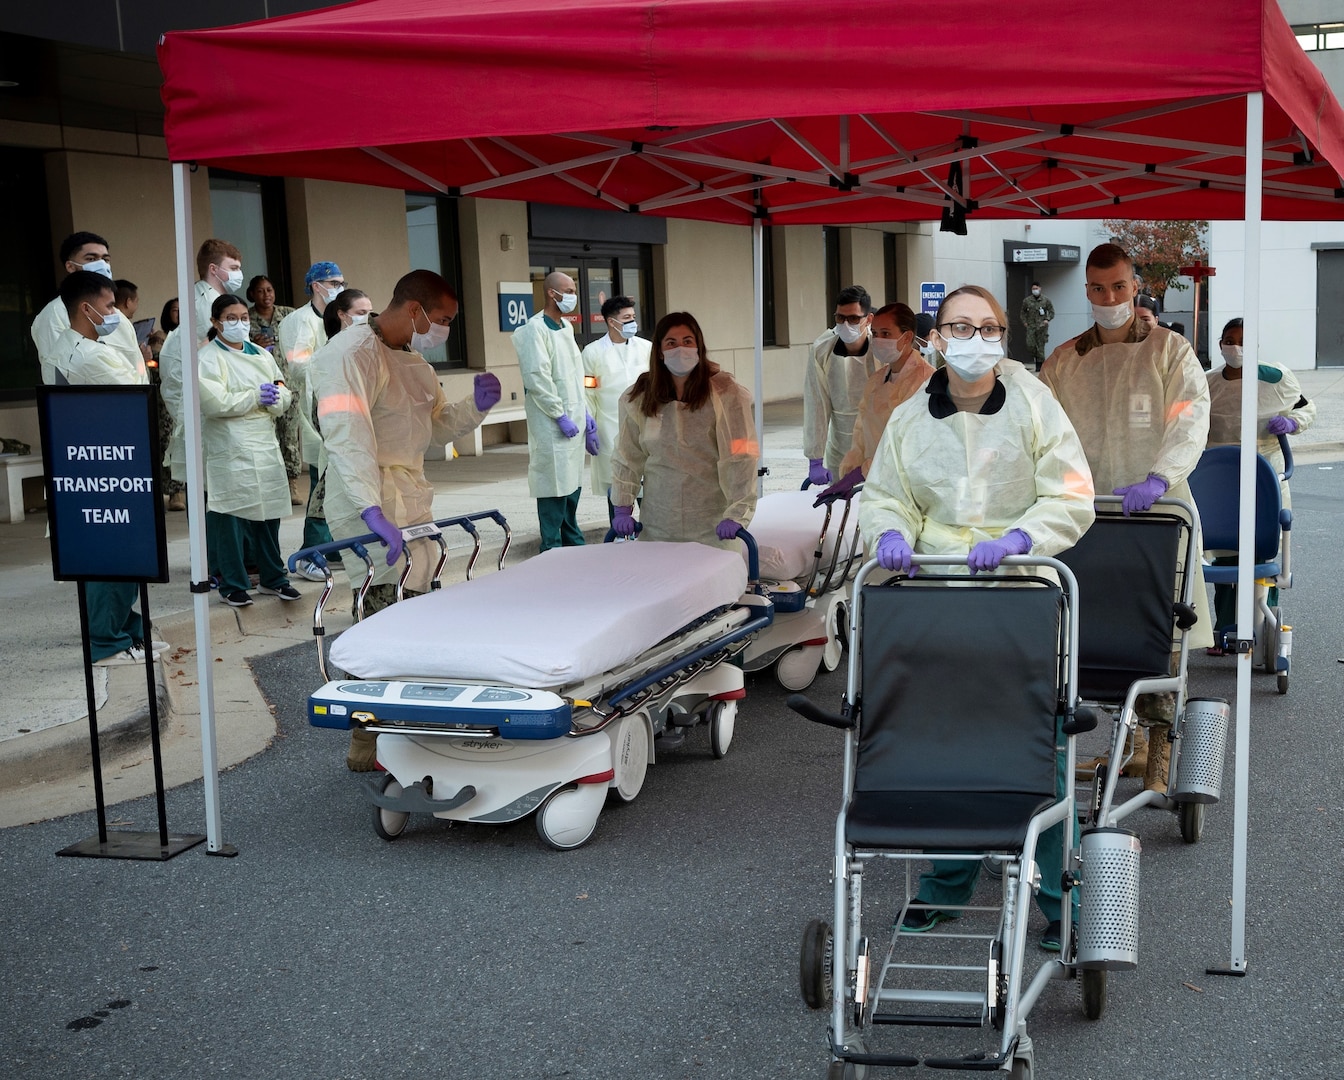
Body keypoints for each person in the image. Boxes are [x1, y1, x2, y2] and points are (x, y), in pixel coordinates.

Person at [858, 284, 1095, 951]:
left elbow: (1072, 493)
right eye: (959, 326)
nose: (974, 339)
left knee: (1033, 748)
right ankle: (947, 887)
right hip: (934, 592)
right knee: (942, 740)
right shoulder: (910, 416)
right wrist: (889, 536)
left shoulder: (1032, 404)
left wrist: (1022, 537)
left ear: (1002, 337)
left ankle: (1057, 901)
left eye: (986, 327)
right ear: (936, 337)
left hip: (1016, 593)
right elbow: (887, 495)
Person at [1039, 242, 1211, 793]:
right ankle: (1111, 743)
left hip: (1157, 512)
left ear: (1136, 285)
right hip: (1087, 518)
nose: (1108, 298)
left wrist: (1160, 477)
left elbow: (1190, 415)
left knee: (1160, 628)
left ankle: (1158, 751)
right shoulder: (1065, 359)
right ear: (1086, 290)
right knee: (1090, 631)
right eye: (1097, 288)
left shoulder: (1169, 349)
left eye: (1118, 287)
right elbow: (1038, 431)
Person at [314, 270, 501, 770]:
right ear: (414, 308)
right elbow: (346, 434)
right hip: (364, 499)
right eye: (440, 319)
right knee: (379, 617)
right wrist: (369, 507)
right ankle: (366, 740)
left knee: (416, 613)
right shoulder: (348, 355)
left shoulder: (415, 361)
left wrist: (475, 409)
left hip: (411, 501)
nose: (443, 330)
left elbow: (435, 426)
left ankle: (410, 726)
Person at [52, 271, 165, 666]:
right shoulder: (89, 354)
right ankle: (106, 642)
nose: (116, 313)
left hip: (113, 458)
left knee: (123, 556)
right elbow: (134, 395)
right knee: (111, 556)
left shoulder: (86, 345)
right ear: (86, 309)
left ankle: (125, 628)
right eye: (110, 306)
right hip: (108, 462)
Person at [1203, 316, 1315, 654]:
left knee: (1264, 552)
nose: (1234, 347)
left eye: (1242, 340)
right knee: (1225, 555)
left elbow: (1307, 409)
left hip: (1264, 471)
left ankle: (1263, 626)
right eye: (1229, 339)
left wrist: (1292, 421)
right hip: (1219, 476)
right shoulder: (1208, 384)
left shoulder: (1274, 381)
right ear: (1220, 343)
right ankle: (1225, 629)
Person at [610, 311, 758, 547]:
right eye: (671, 343)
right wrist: (622, 506)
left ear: (699, 347)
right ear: (659, 350)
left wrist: (737, 513)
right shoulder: (639, 397)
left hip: (713, 526)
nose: (681, 349)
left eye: (687, 341)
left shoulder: (726, 394)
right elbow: (627, 456)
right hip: (658, 522)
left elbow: (742, 456)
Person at [197, 293, 299, 609]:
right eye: (231, 318)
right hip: (229, 446)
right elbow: (214, 402)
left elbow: (283, 391)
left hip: (264, 443)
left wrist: (276, 399)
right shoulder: (208, 358)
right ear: (215, 322)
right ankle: (233, 583)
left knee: (269, 514)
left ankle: (274, 577)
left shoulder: (262, 355)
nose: (239, 323)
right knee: (229, 516)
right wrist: (255, 397)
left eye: (243, 317)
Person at [815, 302, 935, 500]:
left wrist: (861, 472)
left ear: (907, 337)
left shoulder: (925, 382)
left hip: (912, 489)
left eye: (886, 334)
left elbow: (905, 446)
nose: (878, 340)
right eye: (876, 333)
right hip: (877, 483)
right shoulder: (877, 380)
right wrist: (849, 472)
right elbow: (861, 433)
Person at [158, 238, 245, 507]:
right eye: (233, 267)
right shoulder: (201, 303)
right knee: (209, 484)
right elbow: (194, 357)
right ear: (214, 269)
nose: (238, 273)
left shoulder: (216, 299)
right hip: (202, 400)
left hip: (214, 397)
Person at [513, 272, 591, 550]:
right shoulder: (534, 330)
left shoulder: (566, 329)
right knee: (553, 485)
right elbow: (538, 379)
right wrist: (559, 414)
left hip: (573, 419)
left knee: (572, 484)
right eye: (568, 290)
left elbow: (573, 375)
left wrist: (585, 413)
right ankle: (552, 546)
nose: (573, 296)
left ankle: (572, 540)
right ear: (551, 293)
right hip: (550, 423)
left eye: (574, 290)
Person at [280, 262, 344, 560]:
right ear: (316, 286)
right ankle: (315, 548)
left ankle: (331, 545)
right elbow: (297, 364)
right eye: (334, 283)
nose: (339, 288)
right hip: (313, 408)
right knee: (322, 480)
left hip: (338, 405)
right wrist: (330, 363)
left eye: (341, 283)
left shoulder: (336, 316)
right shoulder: (300, 320)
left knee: (336, 480)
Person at [31, 232, 145, 386]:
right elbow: (60, 377)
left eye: (105, 259)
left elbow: (136, 362)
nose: (102, 265)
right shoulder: (53, 315)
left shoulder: (117, 316)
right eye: (91, 259)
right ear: (70, 266)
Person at [581, 295, 652, 521]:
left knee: (650, 482)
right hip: (609, 426)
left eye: (633, 317)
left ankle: (653, 530)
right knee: (617, 481)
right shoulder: (592, 353)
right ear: (612, 322)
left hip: (647, 425)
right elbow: (588, 392)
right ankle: (620, 531)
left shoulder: (647, 348)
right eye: (627, 318)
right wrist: (589, 424)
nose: (633, 322)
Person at [803, 285, 879, 485]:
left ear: (868, 319)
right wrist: (815, 458)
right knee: (840, 505)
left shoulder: (880, 349)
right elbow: (816, 404)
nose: (846, 324)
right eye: (840, 318)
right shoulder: (822, 349)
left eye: (853, 319)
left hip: (877, 443)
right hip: (839, 444)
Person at [1018, 281, 1056, 369]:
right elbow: (1022, 312)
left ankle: (1040, 366)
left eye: (1036, 288)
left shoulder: (1046, 300)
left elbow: (1051, 312)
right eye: (1033, 289)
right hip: (1031, 326)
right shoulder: (1027, 301)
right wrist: (1025, 322)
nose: (1035, 290)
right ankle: (1037, 358)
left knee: (1040, 347)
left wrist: (1047, 319)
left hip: (1042, 327)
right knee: (1030, 345)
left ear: (1040, 288)